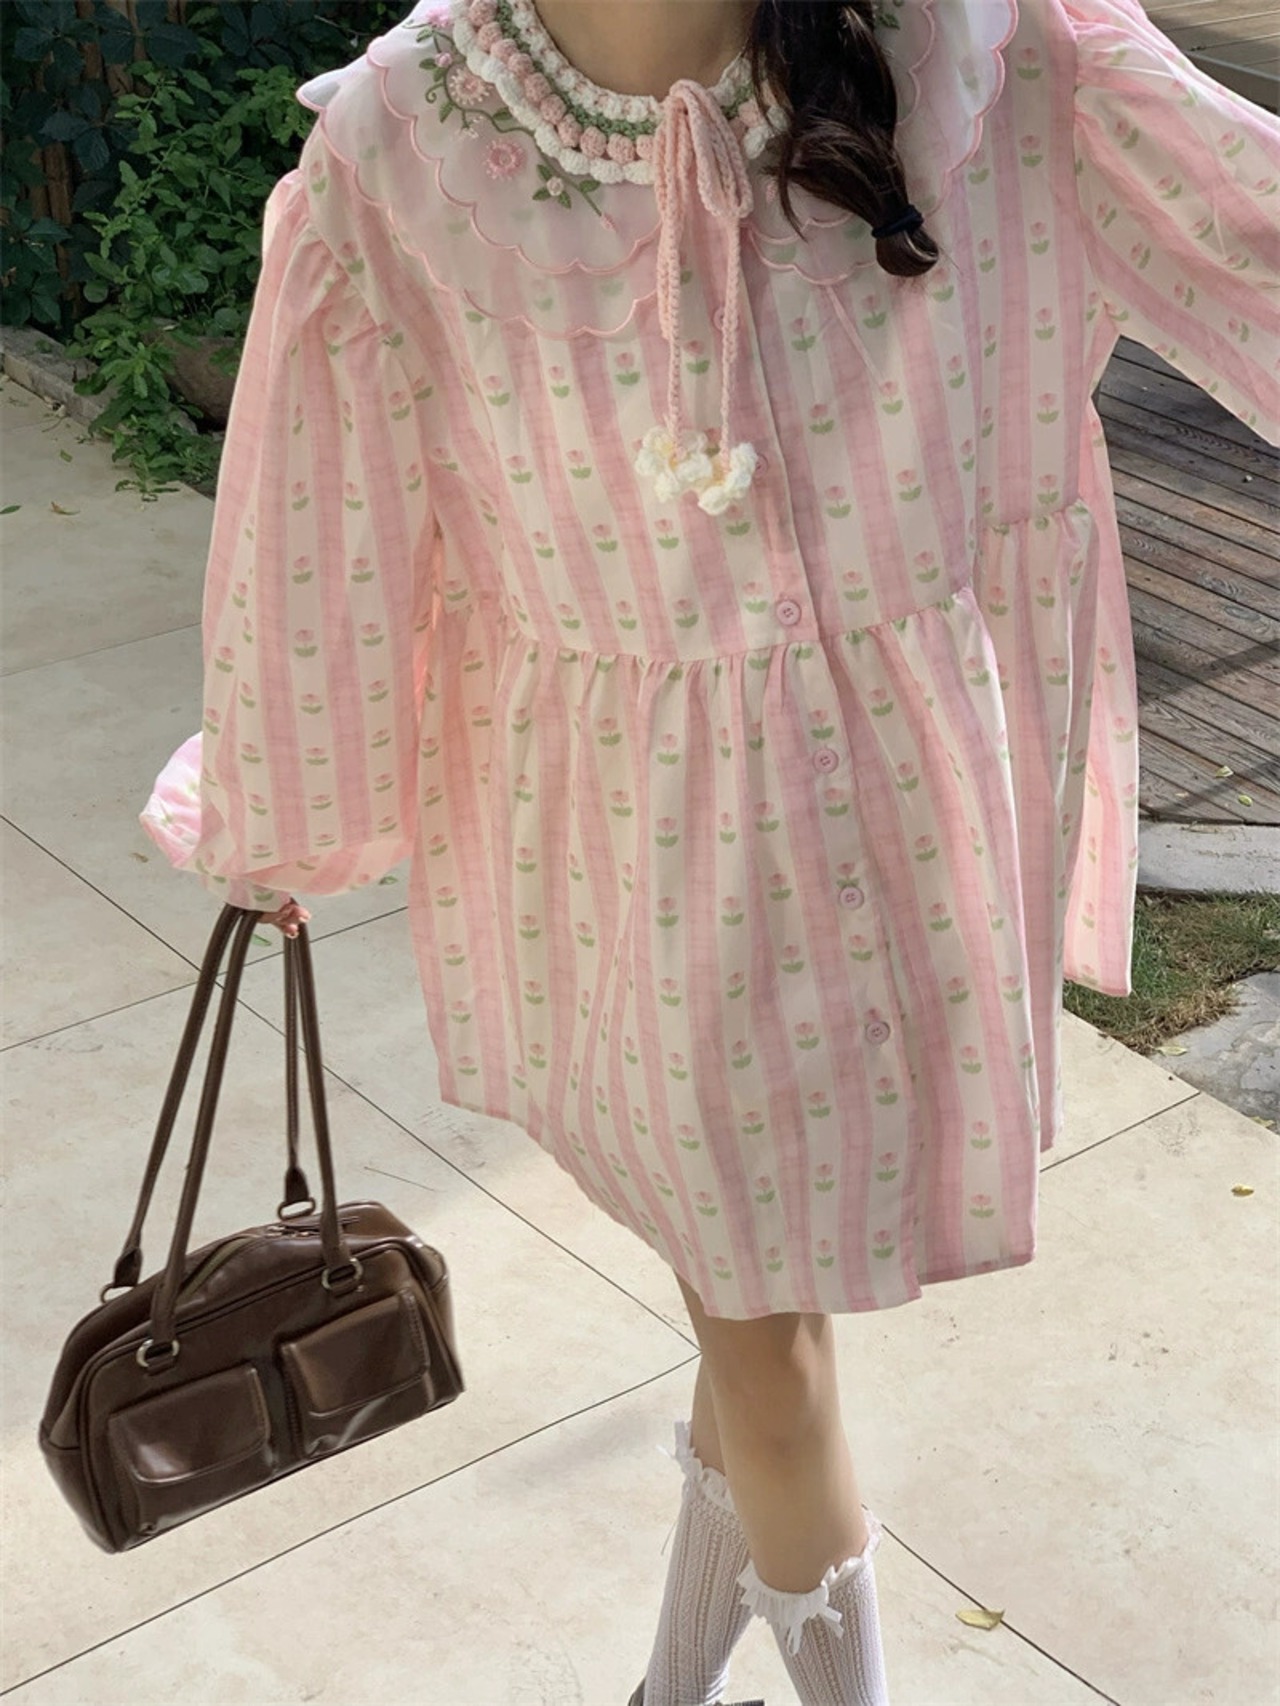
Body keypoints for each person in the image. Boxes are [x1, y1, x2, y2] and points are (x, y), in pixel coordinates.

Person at [142, 0, 1280, 1698]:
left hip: (892, 856)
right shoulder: (411, 149)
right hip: (632, 885)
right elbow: (322, 539)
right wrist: (285, 802)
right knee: (753, 1323)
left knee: (759, 1328)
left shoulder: (989, 57)